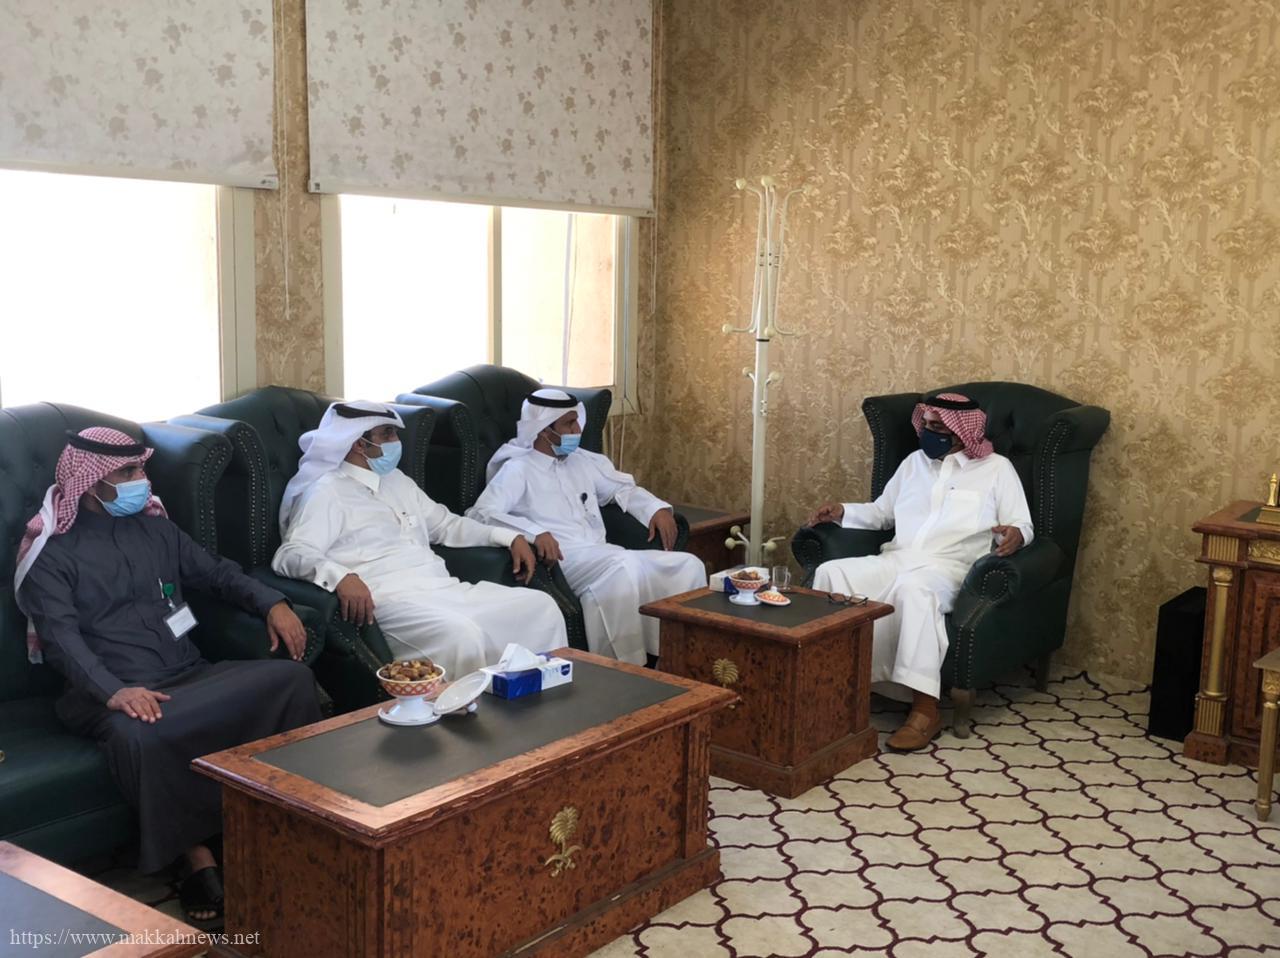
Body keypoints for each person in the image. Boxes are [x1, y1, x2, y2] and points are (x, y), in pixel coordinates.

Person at [15, 428, 321, 923]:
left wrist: (273, 603)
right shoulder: (52, 553)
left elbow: (216, 573)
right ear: (90, 483)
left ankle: (285, 820)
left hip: (188, 672)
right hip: (111, 692)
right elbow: (60, 641)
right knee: (143, 733)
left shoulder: (156, 530)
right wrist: (115, 691)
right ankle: (194, 857)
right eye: (128, 472)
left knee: (290, 681)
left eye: (142, 468)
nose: (143, 480)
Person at [806, 393, 1033, 751]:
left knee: (913, 590)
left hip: (951, 568)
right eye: (926, 425)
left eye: (938, 427)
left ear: (962, 430)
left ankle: (925, 710)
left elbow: (1022, 523)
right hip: (899, 558)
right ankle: (831, 688)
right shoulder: (914, 463)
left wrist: (1016, 534)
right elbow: (883, 512)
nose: (928, 433)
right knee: (832, 573)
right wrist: (842, 511)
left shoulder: (997, 469)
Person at [272, 400, 567, 675]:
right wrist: (340, 577)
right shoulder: (327, 491)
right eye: (387, 434)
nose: (396, 442)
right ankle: (474, 712)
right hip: (393, 602)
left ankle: (541, 702)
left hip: (444, 589)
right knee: (462, 634)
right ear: (359, 443)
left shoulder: (397, 481)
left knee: (541, 608)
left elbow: (447, 525)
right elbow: (292, 553)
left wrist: (509, 536)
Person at [467, 389, 706, 665]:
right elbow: (481, 514)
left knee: (687, 565)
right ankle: (627, 666)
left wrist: (656, 509)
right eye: (569, 424)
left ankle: (680, 657)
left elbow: (621, 489)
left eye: (576, 421)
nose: (577, 430)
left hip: (601, 553)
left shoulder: (582, 461)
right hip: (563, 559)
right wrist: (533, 533)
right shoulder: (518, 469)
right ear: (544, 430)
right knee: (623, 565)